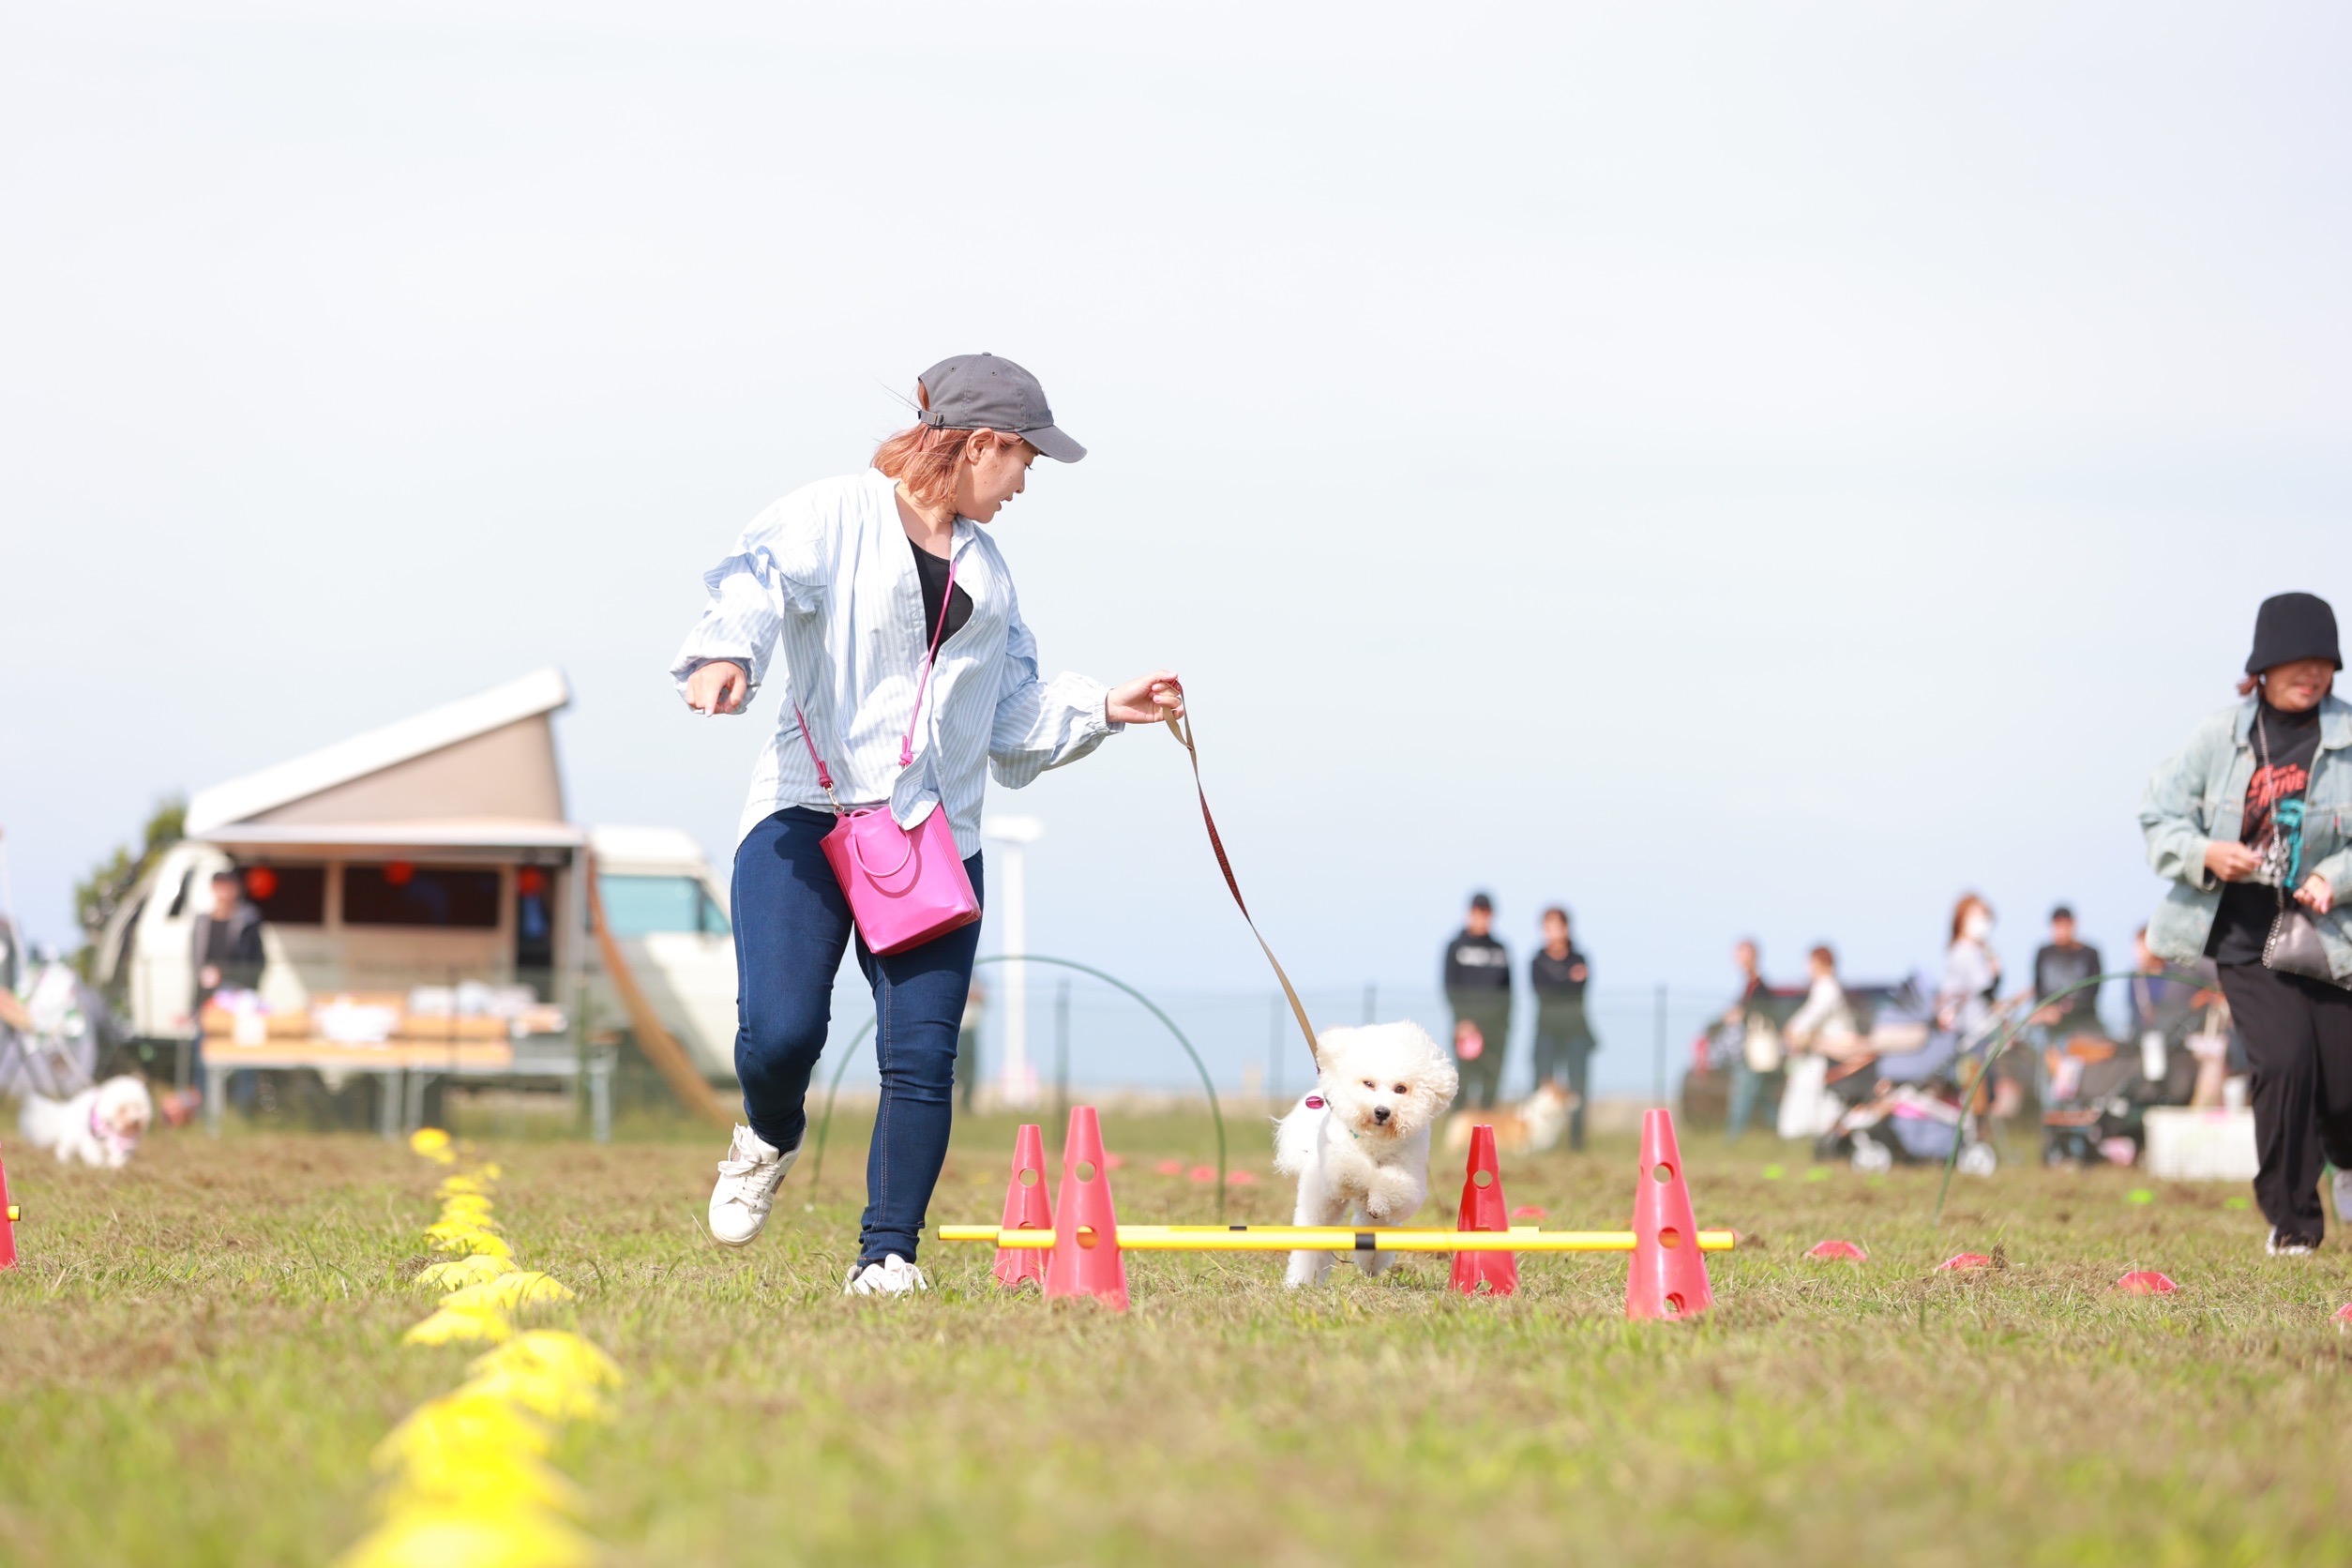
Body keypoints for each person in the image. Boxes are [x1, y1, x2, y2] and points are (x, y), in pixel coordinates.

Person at [671, 354, 1183, 1295]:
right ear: (978, 442)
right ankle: (769, 1132)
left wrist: (1109, 706)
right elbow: (753, 582)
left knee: (922, 1057)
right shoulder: (829, 513)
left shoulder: (991, 576)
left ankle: (887, 1253)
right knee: (781, 1035)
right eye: (1023, 458)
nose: (1027, 481)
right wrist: (724, 655)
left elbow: (1011, 718)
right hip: (805, 812)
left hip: (933, 834)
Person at [2141, 592, 2352, 1255]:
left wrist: (2335, 877)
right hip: (2242, 937)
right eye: (2298, 661)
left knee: (2344, 1088)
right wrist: (2205, 852)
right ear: (2263, 666)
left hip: (2331, 938)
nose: (2312, 674)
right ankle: (2292, 1222)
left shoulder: (2347, 736)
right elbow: (2159, 814)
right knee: (2285, 1065)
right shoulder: (2219, 737)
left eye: (2324, 662)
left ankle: (2345, 1163)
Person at [1528, 906, 1597, 1150]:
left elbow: (1579, 990)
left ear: (1566, 928)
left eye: (1558, 925)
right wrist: (1568, 979)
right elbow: (1543, 991)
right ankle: (1540, 1140)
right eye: (1548, 926)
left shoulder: (1580, 958)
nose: (1553, 932)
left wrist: (1562, 982)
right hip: (1546, 1031)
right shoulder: (1537, 961)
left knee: (1577, 1086)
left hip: (1576, 1031)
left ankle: (1577, 1142)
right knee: (1542, 1085)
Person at [1778, 944, 1858, 1139]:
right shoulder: (1824, 987)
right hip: (1823, 1051)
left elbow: (1812, 1016)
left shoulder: (1828, 987)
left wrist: (1793, 1030)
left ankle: (1807, 1133)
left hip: (1834, 1053)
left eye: (1811, 963)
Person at [1442, 893, 1512, 1111]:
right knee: (1464, 1082)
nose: (1482, 919)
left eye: (1486, 914)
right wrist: (1462, 1021)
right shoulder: (1456, 946)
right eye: (1477, 913)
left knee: (1490, 1082)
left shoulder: (1500, 949)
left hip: (1495, 1028)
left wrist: (1505, 1024)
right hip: (1468, 1028)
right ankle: (1458, 1130)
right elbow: (1451, 986)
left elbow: (1508, 991)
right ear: (1470, 913)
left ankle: (1487, 1135)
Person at [1721, 939, 1779, 1140]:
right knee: (1763, 1096)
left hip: (1753, 1049)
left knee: (1743, 1094)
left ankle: (1732, 1139)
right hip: (1749, 1048)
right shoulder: (1749, 984)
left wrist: (1740, 1015)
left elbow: (1762, 1011)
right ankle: (1779, 1135)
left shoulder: (1759, 985)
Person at [2029, 906, 2105, 1040]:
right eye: (2057, 926)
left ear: (2073, 925)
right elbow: (2038, 988)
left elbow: (2091, 995)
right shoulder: (2044, 953)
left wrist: (2062, 1011)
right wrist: (2044, 1011)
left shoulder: (2090, 954)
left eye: (2064, 926)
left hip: (2082, 1025)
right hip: (2050, 1028)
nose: (2061, 931)